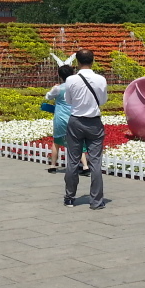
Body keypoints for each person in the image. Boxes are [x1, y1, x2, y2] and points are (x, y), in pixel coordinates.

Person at [47, 49, 106, 209]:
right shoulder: (101, 79)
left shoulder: (72, 80)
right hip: (94, 122)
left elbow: (69, 100)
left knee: (72, 160)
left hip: (75, 121)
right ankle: (96, 201)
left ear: (77, 62)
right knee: (95, 162)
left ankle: (70, 197)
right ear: (92, 60)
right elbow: (103, 100)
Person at [45, 66, 88, 174]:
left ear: (60, 75)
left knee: (56, 141)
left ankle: (53, 165)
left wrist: (53, 88)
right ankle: (85, 166)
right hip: (74, 117)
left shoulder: (58, 88)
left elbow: (48, 97)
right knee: (78, 141)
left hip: (60, 118)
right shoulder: (76, 88)